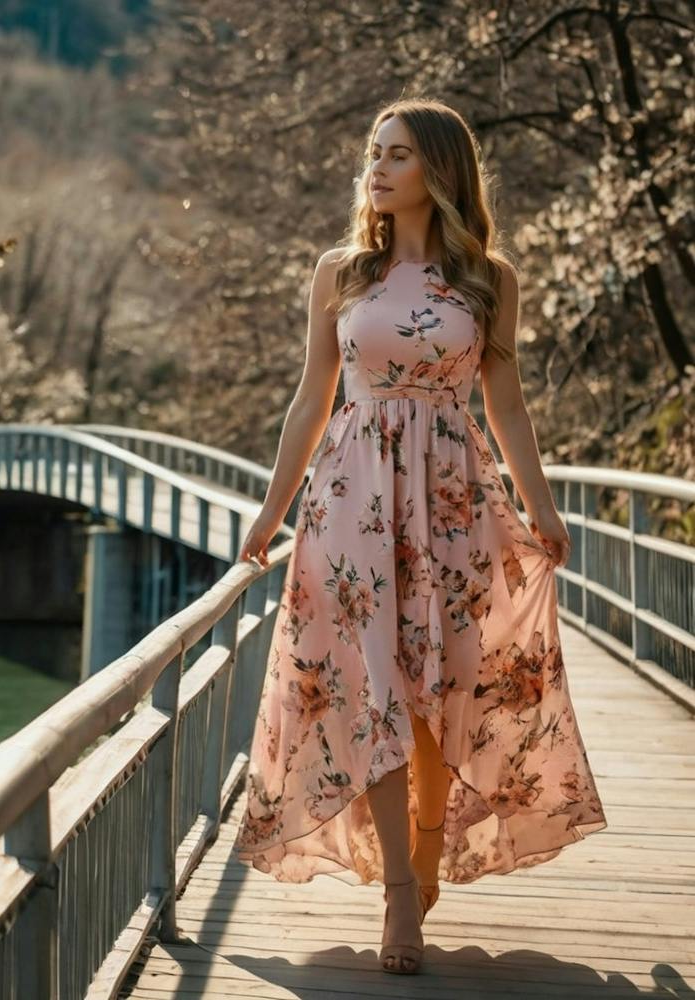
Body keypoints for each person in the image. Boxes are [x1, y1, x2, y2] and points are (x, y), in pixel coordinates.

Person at [233, 98, 608, 976]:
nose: (376, 166)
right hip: (350, 502)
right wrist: (271, 509)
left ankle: (427, 849)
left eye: (396, 154)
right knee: (372, 688)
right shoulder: (341, 274)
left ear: (438, 170)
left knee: (442, 688)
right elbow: (309, 399)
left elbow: (505, 404)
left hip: (452, 500)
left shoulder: (488, 279)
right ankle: (401, 896)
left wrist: (541, 507)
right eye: (373, 152)